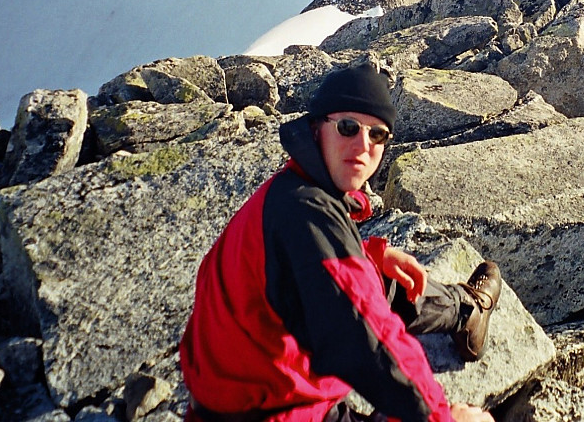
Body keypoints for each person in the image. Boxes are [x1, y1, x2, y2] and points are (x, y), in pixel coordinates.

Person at [180, 63, 499, 422]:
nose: (363, 145)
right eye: (348, 127)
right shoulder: (306, 213)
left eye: (378, 135)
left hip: (255, 390)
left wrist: (370, 256)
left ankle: (468, 309)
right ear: (316, 129)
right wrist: (443, 418)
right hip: (276, 409)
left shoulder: (291, 192)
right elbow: (368, 340)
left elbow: (309, 272)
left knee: (378, 280)